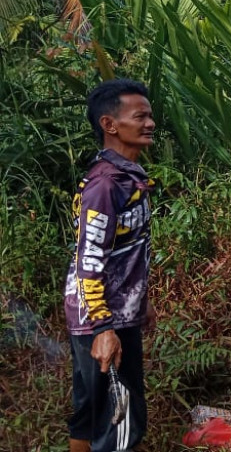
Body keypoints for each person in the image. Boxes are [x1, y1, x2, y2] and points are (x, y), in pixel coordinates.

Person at [65, 79, 157, 452]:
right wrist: (104, 327)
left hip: (109, 312)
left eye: (150, 115)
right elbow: (90, 259)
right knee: (120, 423)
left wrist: (143, 300)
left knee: (91, 412)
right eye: (140, 116)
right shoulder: (107, 185)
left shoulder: (124, 177)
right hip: (105, 317)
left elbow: (125, 250)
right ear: (110, 124)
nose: (150, 123)